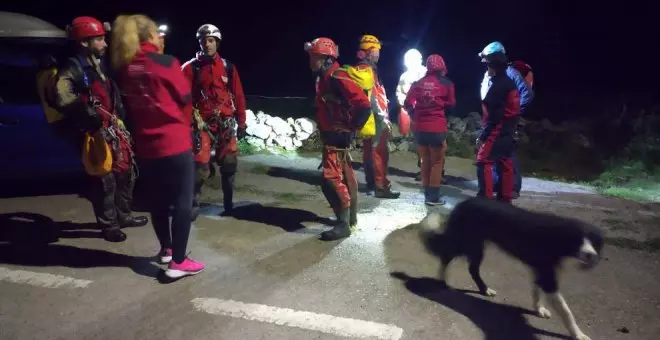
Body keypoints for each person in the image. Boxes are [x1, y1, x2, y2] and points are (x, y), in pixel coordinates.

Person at [111, 14, 205, 279]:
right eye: (156, 33)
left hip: (146, 146)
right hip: (174, 142)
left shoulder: (126, 67)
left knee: (158, 202)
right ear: (149, 36)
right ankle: (179, 262)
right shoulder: (165, 62)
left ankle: (166, 249)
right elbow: (185, 97)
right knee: (182, 202)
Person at [53, 16, 147, 243]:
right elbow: (61, 96)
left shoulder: (99, 65)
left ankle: (123, 216)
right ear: (84, 42)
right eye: (99, 40)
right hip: (95, 132)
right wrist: (89, 117)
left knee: (125, 172)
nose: (105, 44)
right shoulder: (74, 68)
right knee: (104, 180)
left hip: (114, 129)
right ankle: (109, 225)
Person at [305, 37, 372, 241]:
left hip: (338, 137)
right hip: (332, 136)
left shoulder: (338, 77)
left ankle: (343, 224)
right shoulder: (325, 78)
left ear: (327, 58)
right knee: (345, 177)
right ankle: (349, 218)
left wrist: (352, 128)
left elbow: (363, 105)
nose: (311, 61)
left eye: (314, 57)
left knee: (330, 180)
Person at [182, 23, 247, 218]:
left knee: (229, 164)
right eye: (204, 41)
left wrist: (242, 122)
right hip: (202, 124)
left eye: (211, 41)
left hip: (225, 124)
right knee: (200, 165)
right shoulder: (190, 68)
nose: (207, 44)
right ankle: (193, 203)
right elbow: (182, 100)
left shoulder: (228, 67)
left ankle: (228, 203)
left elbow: (239, 95)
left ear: (217, 43)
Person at [479, 41, 534, 198]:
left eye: (487, 60)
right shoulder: (493, 74)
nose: (485, 63)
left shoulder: (509, 74)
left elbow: (527, 94)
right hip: (495, 119)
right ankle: (502, 189)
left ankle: (511, 189)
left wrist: (513, 112)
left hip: (503, 121)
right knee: (501, 154)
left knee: (505, 154)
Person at [404, 54, 455, 205]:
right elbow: (451, 105)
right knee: (437, 162)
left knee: (425, 160)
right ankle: (433, 197)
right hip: (437, 127)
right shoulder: (447, 84)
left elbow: (407, 103)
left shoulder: (417, 83)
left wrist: (415, 114)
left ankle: (427, 193)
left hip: (419, 127)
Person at [355, 34, 399, 199]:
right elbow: (372, 96)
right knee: (379, 151)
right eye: (376, 50)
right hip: (375, 117)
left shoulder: (365, 68)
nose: (379, 53)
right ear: (369, 50)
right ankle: (380, 186)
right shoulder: (367, 69)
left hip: (369, 117)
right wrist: (382, 116)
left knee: (370, 151)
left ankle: (372, 184)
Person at [476, 49, 520, 203]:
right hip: (509, 129)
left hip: (497, 129)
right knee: (505, 162)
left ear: (493, 67)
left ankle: (485, 199)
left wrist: (483, 136)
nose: (487, 69)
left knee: (483, 160)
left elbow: (494, 116)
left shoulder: (498, 86)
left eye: (488, 66)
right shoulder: (510, 83)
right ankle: (505, 199)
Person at [396, 48, 427, 182]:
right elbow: (399, 92)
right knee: (420, 142)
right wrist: (404, 105)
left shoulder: (426, 73)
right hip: (414, 113)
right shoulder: (405, 76)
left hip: (426, 112)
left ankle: (437, 171)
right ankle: (423, 169)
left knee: (431, 143)